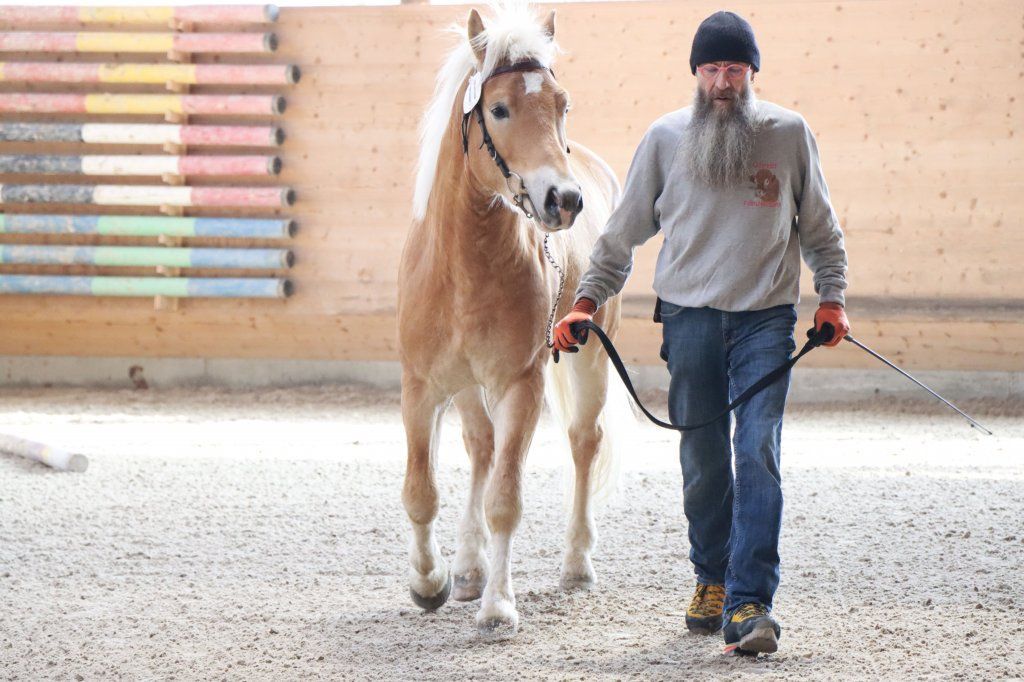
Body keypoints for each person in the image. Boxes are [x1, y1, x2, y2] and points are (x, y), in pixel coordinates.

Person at [551, 10, 850, 656]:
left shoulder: (790, 135)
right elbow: (621, 235)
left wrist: (833, 300)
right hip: (687, 319)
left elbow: (822, 231)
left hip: (765, 322)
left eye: (734, 69)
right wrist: (584, 302)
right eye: (712, 68)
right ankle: (711, 578)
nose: (723, 81)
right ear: (696, 73)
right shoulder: (664, 140)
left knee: (758, 451)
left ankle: (750, 601)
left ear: (752, 73)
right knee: (704, 461)